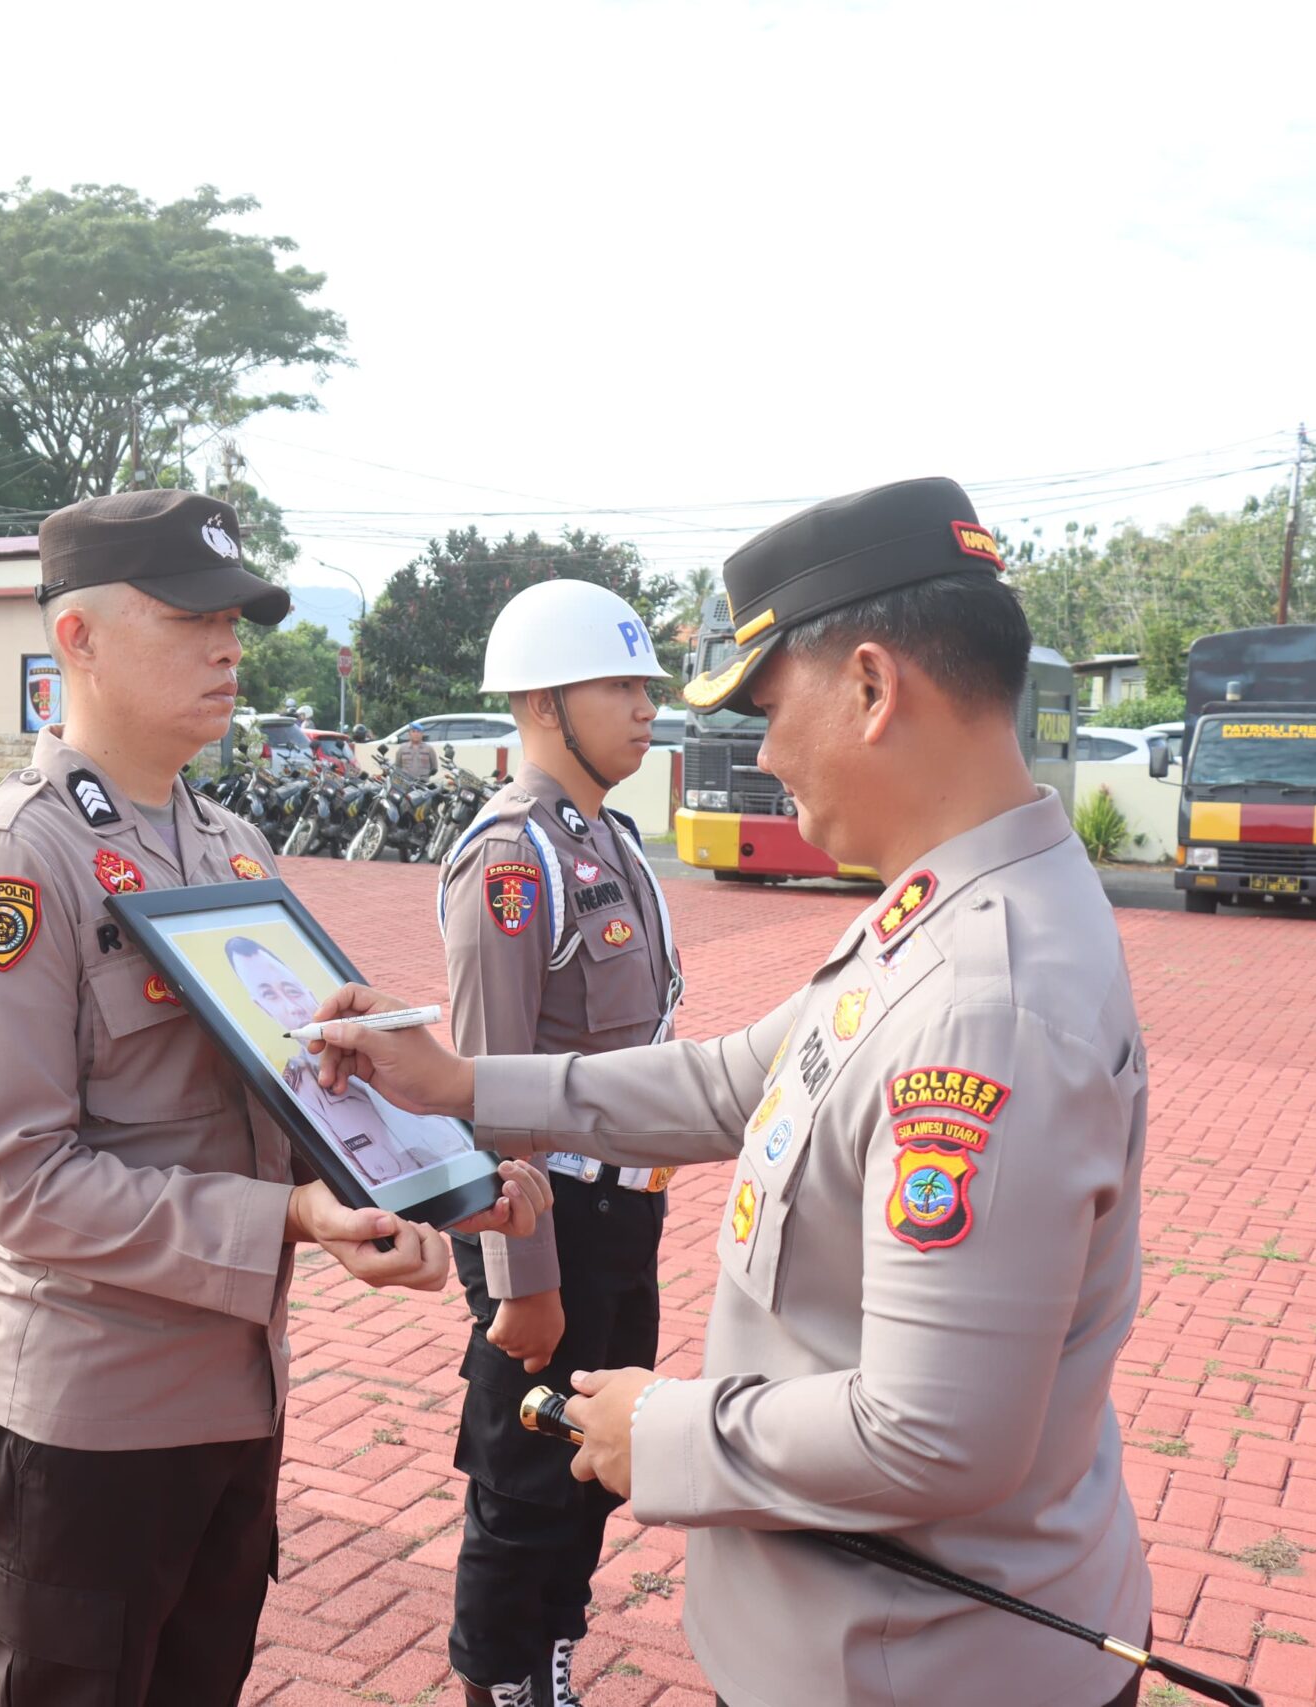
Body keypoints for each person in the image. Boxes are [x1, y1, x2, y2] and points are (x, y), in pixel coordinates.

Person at [309, 478, 1155, 1707]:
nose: (755, 751)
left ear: (871, 688)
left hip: (907, 1664)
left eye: (767, 706)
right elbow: (728, 1080)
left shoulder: (982, 997)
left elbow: (936, 1436)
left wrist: (661, 1432)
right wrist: (460, 1083)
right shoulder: (943, 911)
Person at [0, 488, 550, 1707]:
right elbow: (26, 1191)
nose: (227, 646)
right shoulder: (15, 861)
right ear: (76, 637)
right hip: (90, 1419)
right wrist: (291, 1224)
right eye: (189, 615)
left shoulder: (228, 846)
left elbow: (298, 1097)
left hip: (234, 1396)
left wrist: (440, 1173)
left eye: (236, 618)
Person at [431, 578, 683, 1707]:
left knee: (590, 1465)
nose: (645, 709)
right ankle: (500, 1683)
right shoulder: (511, 858)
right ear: (542, 701)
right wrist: (517, 1281)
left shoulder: (608, 839)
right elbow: (492, 1086)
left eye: (645, 686)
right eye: (620, 684)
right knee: (521, 1478)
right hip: (549, 1220)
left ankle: (552, 1657)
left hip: (623, 1215)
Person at [222, 934, 462, 1186]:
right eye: (270, 996)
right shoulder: (302, 1094)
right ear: (262, 1008)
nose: (292, 1007)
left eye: (291, 990)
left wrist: (454, 1082)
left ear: (308, 990)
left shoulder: (393, 1051)